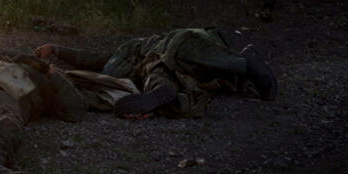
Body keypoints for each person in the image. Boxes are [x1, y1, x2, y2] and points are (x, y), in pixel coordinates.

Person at [34, 27, 277, 118]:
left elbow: (88, 56)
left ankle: (246, 63)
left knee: (184, 54)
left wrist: (57, 48)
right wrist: (54, 50)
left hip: (175, 44)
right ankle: (162, 97)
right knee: (157, 75)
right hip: (161, 66)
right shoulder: (133, 67)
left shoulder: (135, 46)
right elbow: (91, 60)